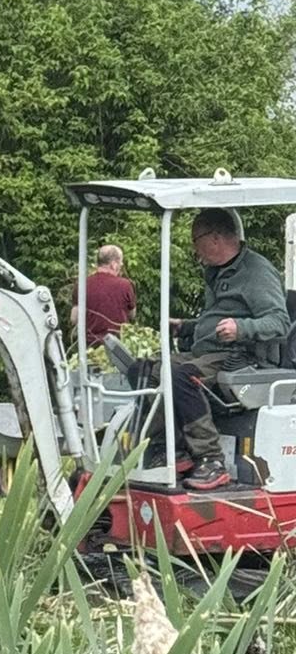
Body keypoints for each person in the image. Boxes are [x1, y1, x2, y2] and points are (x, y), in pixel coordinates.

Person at [160, 209, 289, 491]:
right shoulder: (219, 273)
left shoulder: (255, 272)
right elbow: (216, 321)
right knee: (147, 368)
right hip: (208, 353)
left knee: (179, 375)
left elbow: (279, 321)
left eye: (196, 241)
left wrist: (241, 329)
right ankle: (170, 449)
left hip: (240, 359)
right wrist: (186, 327)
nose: (195, 251)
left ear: (215, 238)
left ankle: (211, 459)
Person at [72, 243, 136, 343]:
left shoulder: (81, 284)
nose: (121, 266)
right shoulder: (125, 285)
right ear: (114, 265)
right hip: (117, 346)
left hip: (89, 346)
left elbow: (74, 319)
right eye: (120, 264)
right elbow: (132, 315)